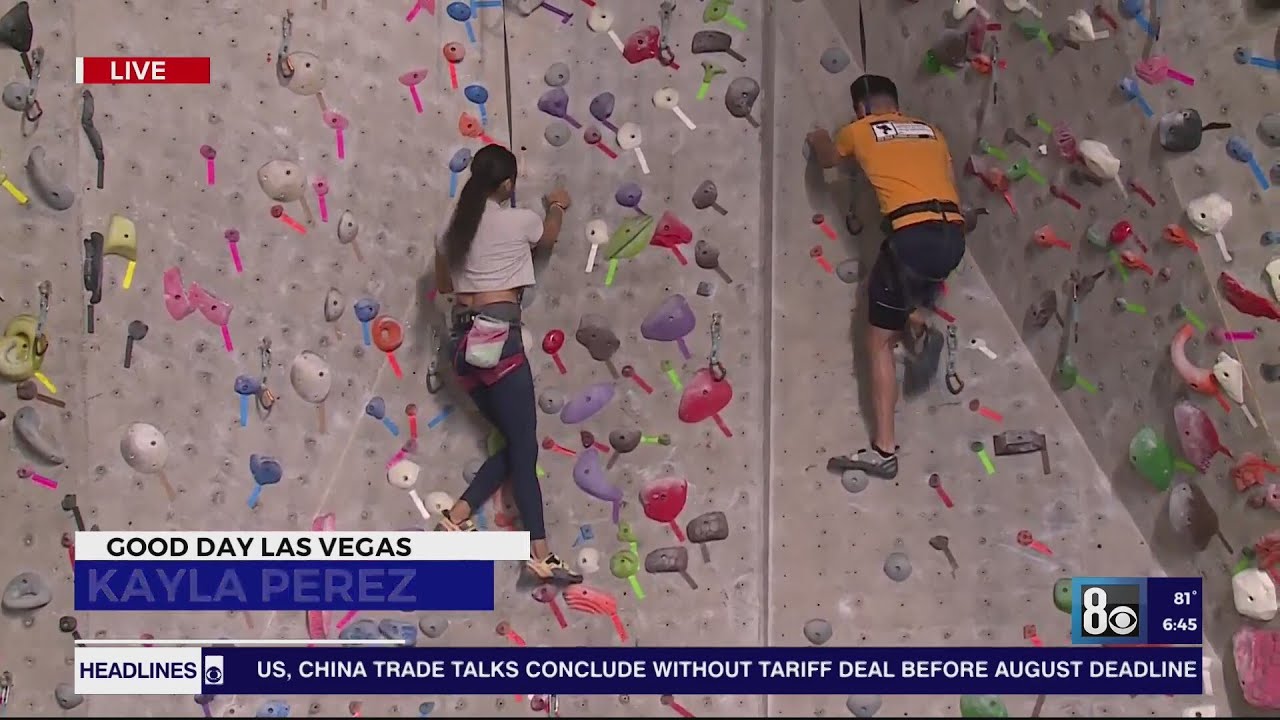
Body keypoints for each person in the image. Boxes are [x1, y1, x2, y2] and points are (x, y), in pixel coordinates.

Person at [432, 143, 582, 584]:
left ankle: (457, 517)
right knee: (524, 444)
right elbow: (549, 238)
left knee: (517, 443)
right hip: (497, 339)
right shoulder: (520, 220)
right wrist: (557, 205)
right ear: (508, 185)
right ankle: (540, 551)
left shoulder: (450, 225)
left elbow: (444, 284)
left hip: (462, 345)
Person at [805, 75, 966, 480]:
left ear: (861, 109)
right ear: (896, 104)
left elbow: (828, 160)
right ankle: (917, 323)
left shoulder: (858, 129)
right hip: (950, 237)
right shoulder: (932, 132)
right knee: (893, 286)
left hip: (910, 237)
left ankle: (884, 450)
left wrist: (818, 134)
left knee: (878, 339)